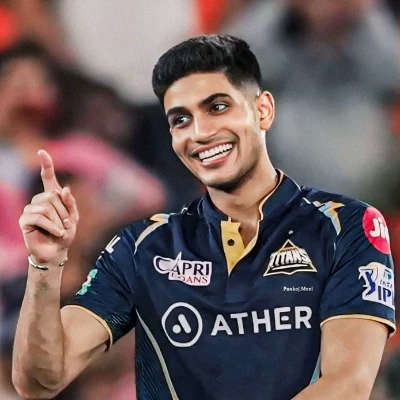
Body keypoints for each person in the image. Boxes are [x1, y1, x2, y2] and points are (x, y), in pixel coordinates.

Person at [13, 34, 395, 400]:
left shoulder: (345, 226)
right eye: (181, 120)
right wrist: (44, 266)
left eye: (217, 107)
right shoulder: (143, 247)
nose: (200, 133)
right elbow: (40, 380)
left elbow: (346, 385)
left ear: (263, 110)